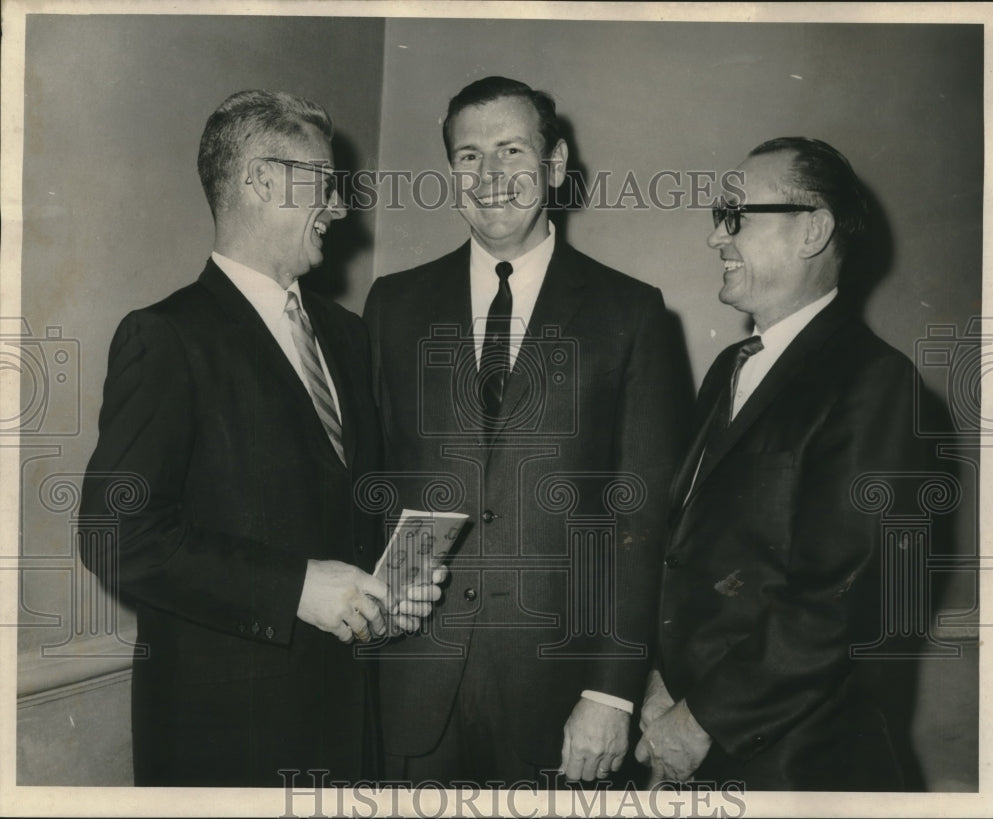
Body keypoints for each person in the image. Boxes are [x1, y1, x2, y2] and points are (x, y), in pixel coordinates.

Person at [78, 89, 442, 787]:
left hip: (343, 727)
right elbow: (112, 534)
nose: (339, 208)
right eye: (325, 185)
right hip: (227, 743)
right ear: (259, 180)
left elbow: (347, 511)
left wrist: (389, 594)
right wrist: (296, 587)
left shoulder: (345, 333)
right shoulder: (168, 337)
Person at [363, 76, 693, 786]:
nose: (489, 176)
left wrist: (611, 692)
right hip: (414, 691)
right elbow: (374, 485)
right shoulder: (394, 305)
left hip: (563, 702)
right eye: (468, 156)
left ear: (555, 163)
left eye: (512, 150)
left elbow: (644, 521)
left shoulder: (630, 313)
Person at [637, 137, 925, 790]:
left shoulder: (875, 382)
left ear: (813, 229)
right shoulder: (727, 371)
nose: (717, 237)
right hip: (698, 744)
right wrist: (660, 680)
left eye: (736, 215)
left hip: (800, 769)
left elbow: (835, 604)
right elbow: (686, 555)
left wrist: (699, 719)